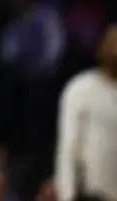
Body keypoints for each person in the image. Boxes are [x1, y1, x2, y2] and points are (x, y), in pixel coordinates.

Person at [53, 24, 117, 201]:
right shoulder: (81, 89)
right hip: (92, 194)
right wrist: (67, 195)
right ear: (101, 48)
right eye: (113, 43)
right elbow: (68, 149)